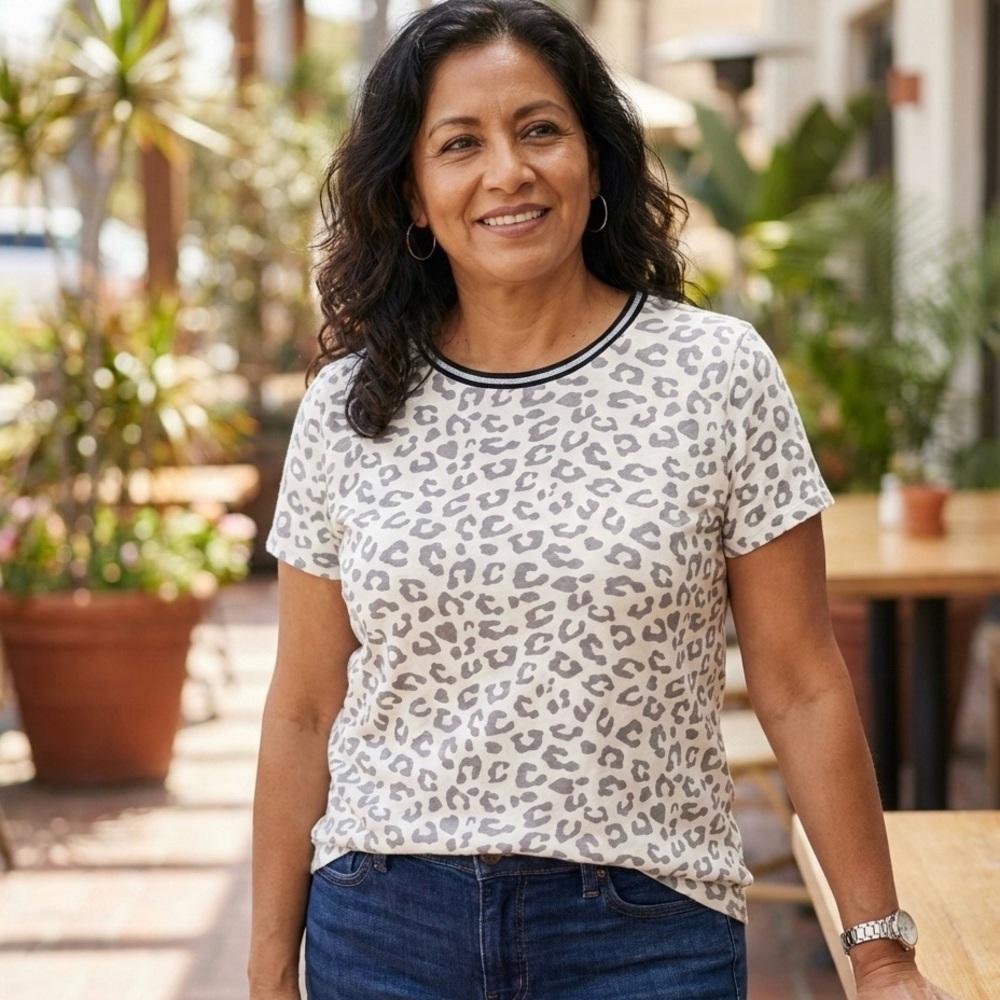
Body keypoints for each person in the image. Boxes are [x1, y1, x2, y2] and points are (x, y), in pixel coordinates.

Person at [250, 2, 955, 998]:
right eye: (459, 143)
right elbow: (302, 709)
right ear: (412, 193)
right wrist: (268, 969)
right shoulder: (346, 408)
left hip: (646, 931)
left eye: (539, 129)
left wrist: (879, 953)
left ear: (594, 159)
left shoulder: (716, 374)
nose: (508, 171)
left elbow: (799, 679)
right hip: (386, 923)